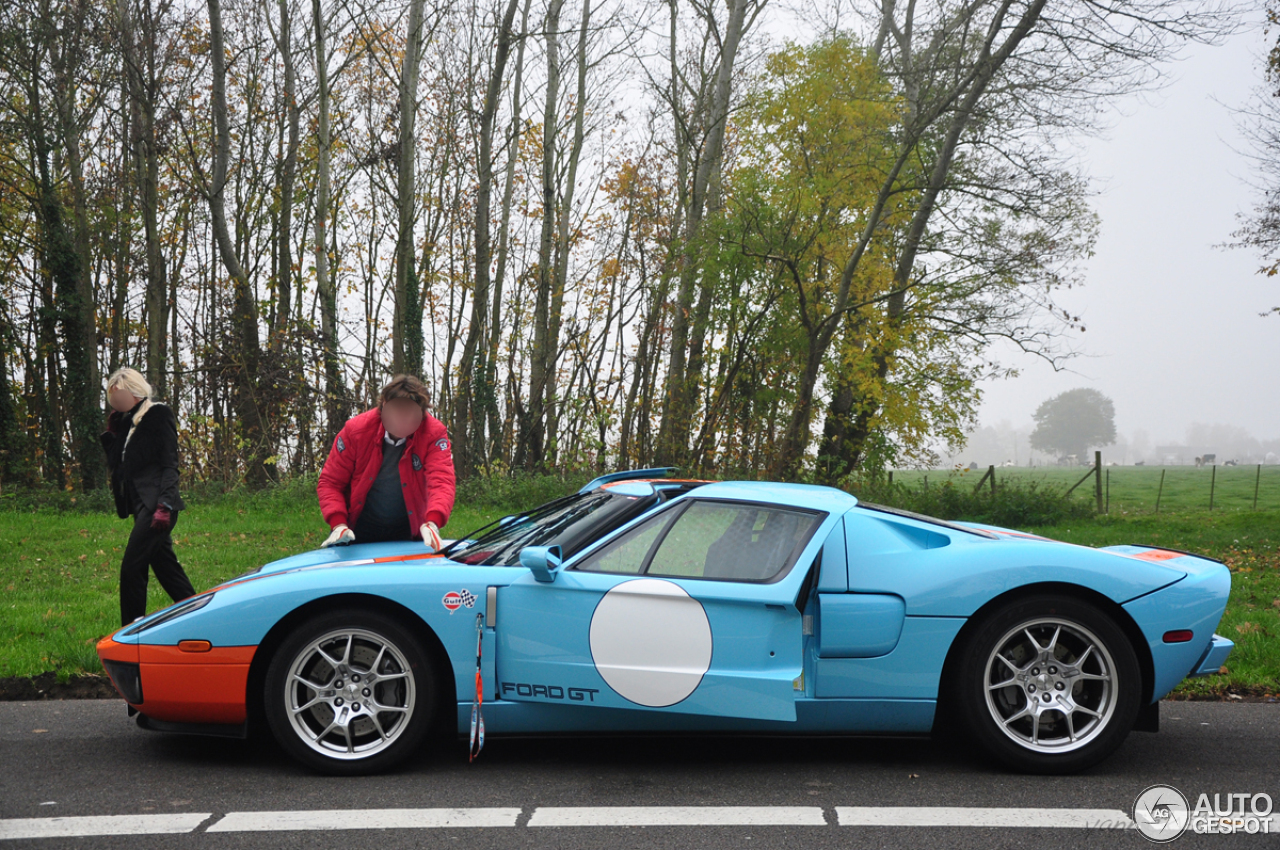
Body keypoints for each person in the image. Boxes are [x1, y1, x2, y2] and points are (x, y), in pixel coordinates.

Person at [100, 368, 196, 626]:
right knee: (166, 568)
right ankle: (197, 613)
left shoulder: (158, 414)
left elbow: (169, 464)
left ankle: (130, 631)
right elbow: (123, 468)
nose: (115, 403)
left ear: (135, 392)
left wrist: (165, 505)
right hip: (141, 504)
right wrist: (113, 438)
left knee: (132, 567)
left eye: (119, 397)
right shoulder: (126, 422)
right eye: (112, 399)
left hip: (157, 505)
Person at [317, 374, 456, 550]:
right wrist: (338, 523)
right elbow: (331, 482)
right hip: (355, 530)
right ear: (384, 406)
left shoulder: (434, 434)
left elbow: (442, 482)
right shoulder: (355, 431)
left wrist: (433, 521)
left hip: (410, 530)